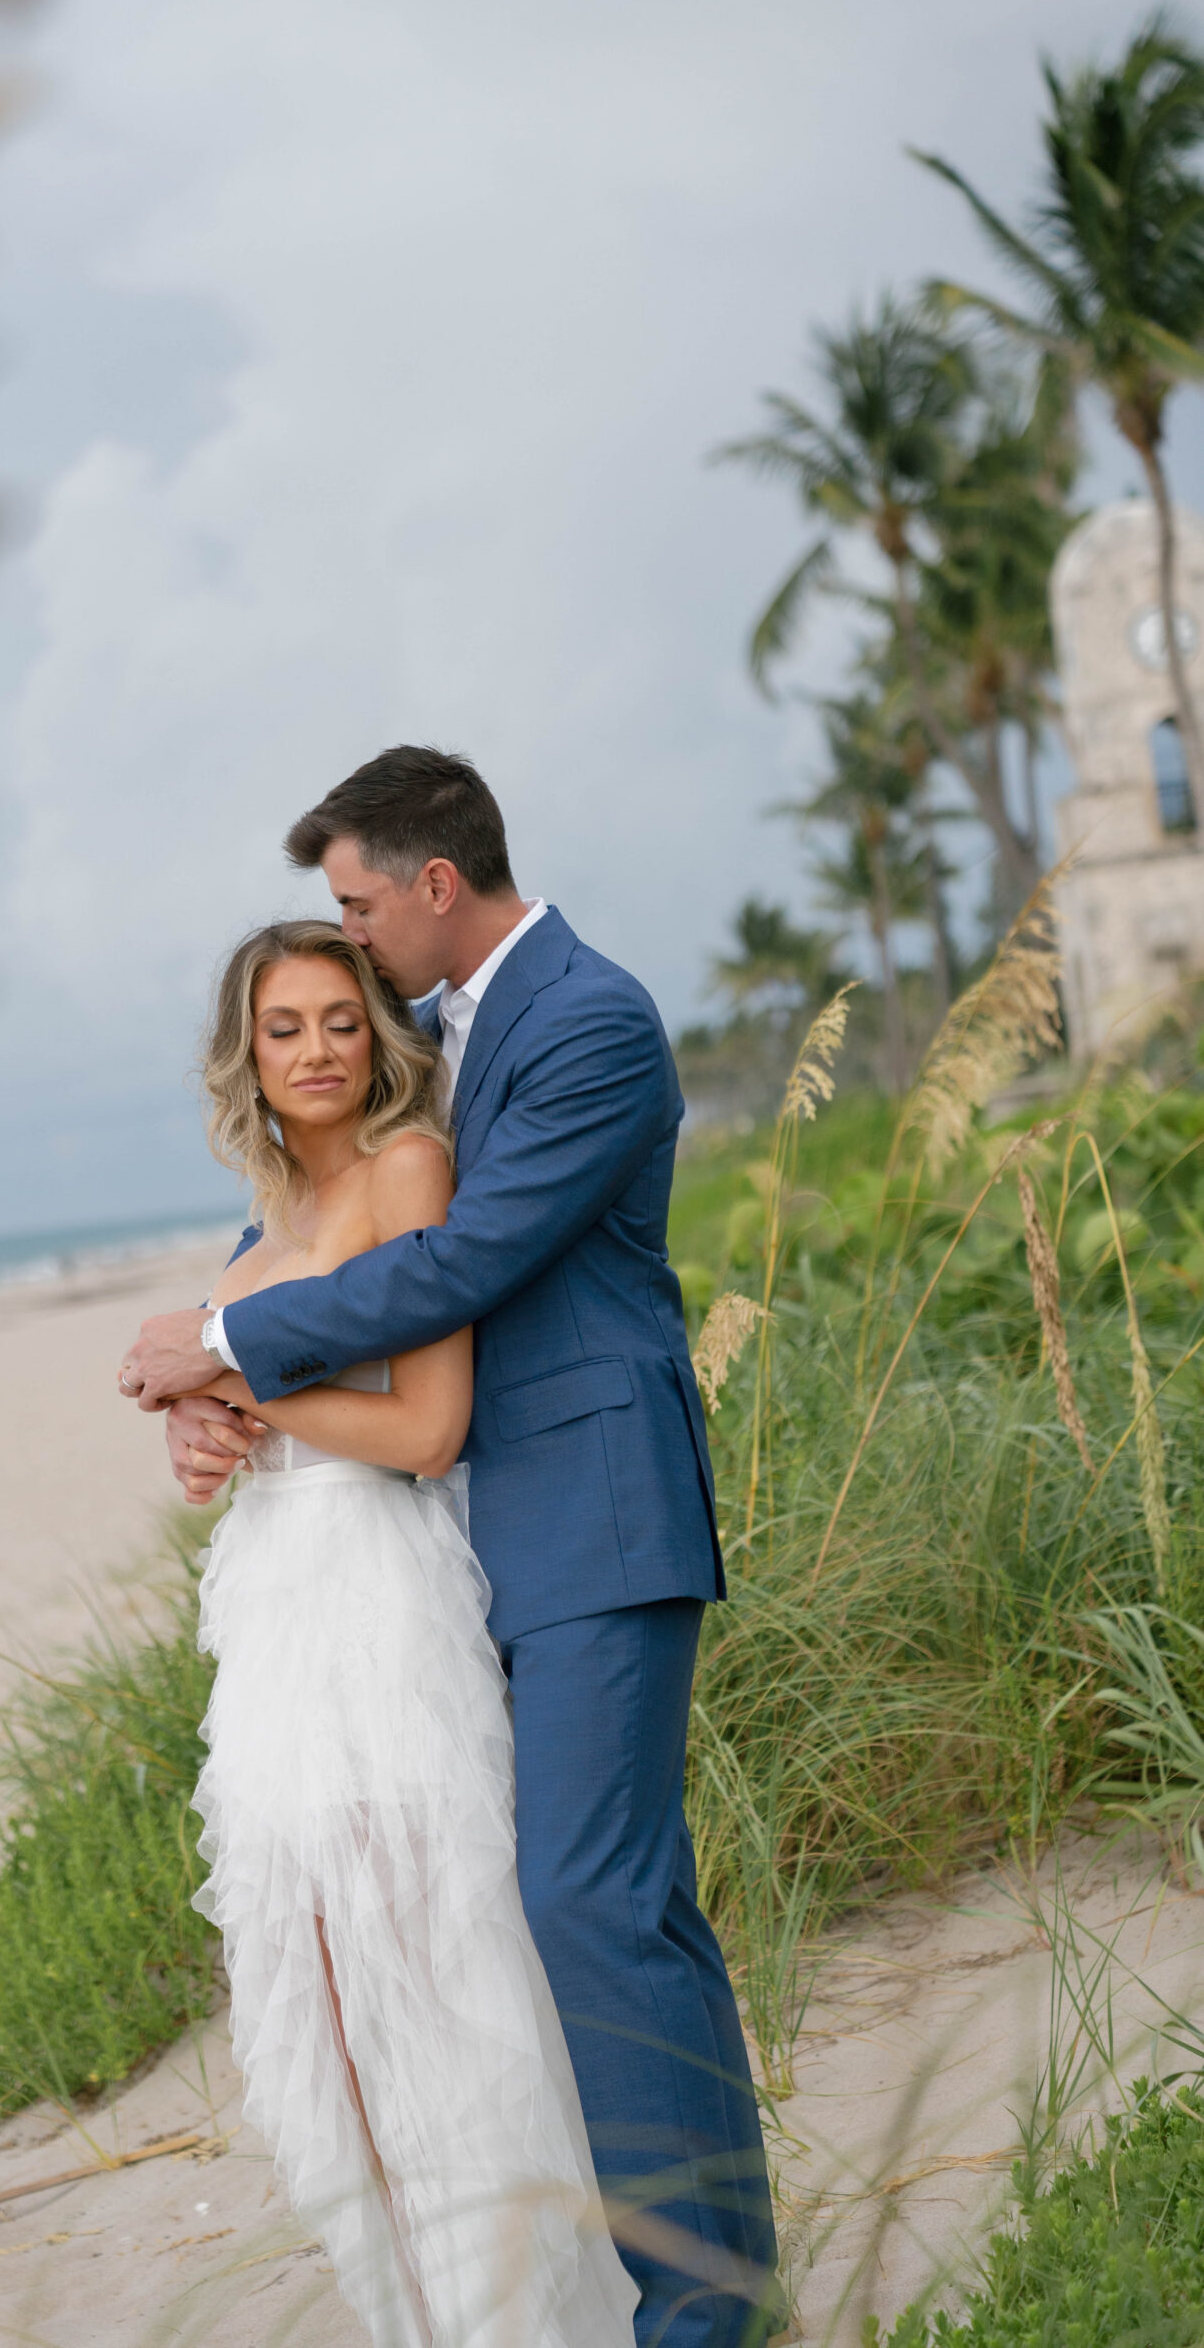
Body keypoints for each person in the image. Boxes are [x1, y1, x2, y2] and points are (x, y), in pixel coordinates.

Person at [121, 746, 779, 2348]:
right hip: (466, 1552)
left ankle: (699, 2318)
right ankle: (713, 2285)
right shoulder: (431, 1028)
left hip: (593, 1520)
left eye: (357, 904)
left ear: (434, 882)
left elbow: (468, 1254)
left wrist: (223, 1340)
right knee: (602, 1912)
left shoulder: (590, 1018)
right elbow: (318, 1198)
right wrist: (220, 1396)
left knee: (584, 1902)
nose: (345, 945)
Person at [177, 915, 637, 2348]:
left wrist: (252, 1395)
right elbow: (256, 1410)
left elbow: (429, 1431)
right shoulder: (262, 1233)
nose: (315, 1051)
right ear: (243, 1057)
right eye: (283, 1027)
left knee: (427, 1984)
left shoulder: (409, 1169)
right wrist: (206, 1441)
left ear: (379, 1037)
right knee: (320, 1998)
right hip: (270, 1619)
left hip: (381, 1601)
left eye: (337, 1020)